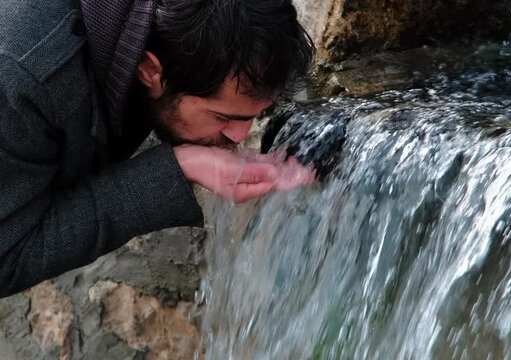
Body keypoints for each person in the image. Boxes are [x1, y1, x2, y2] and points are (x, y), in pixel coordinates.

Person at [0, 0, 315, 298]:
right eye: (223, 117)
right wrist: (178, 167)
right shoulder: (22, 78)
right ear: (149, 70)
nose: (239, 135)